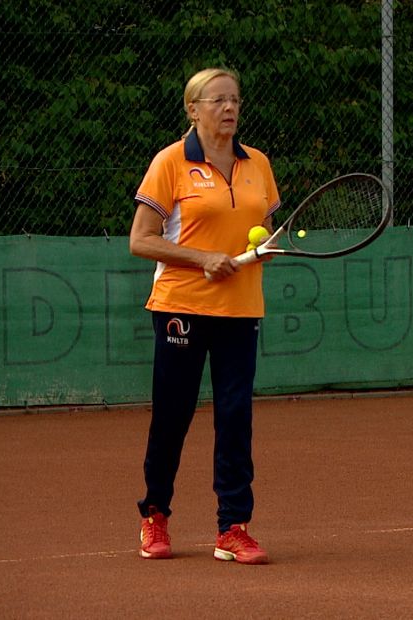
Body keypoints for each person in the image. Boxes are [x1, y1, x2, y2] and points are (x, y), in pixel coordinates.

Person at [129, 67, 280, 565]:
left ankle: (233, 528)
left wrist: (263, 250)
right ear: (193, 109)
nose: (230, 108)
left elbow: (265, 228)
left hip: (241, 308)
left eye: (235, 99)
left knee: (236, 417)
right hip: (181, 306)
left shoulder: (258, 163)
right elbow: (142, 240)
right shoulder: (171, 162)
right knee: (173, 414)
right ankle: (155, 514)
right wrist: (201, 258)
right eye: (218, 100)